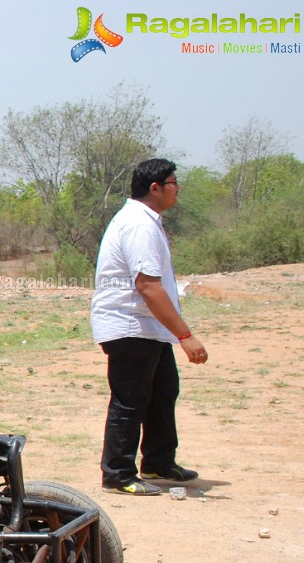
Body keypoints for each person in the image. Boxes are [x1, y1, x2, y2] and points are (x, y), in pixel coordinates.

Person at [91, 158, 208, 495]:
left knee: (162, 392)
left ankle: (158, 463)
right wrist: (186, 335)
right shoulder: (138, 224)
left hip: (148, 327)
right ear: (154, 188)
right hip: (130, 325)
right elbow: (148, 286)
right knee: (130, 399)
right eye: (173, 182)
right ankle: (118, 474)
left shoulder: (146, 221)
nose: (177, 188)